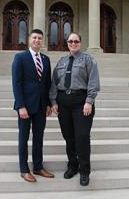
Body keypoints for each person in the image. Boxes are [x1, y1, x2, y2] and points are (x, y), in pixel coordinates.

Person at [49, 32, 100, 186]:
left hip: (81, 102)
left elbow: (93, 81)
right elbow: (54, 83)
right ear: (67, 43)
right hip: (63, 102)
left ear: (80, 42)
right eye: (70, 41)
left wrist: (89, 101)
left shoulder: (89, 60)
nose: (73, 43)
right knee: (69, 137)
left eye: (76, 41)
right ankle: (73, 165)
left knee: (82, 137)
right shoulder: (62, 61)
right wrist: (53, 102)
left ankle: (85, 171)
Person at [12, 29, 54, 183]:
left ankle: (38, 166)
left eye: (40, 38)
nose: (37, 40)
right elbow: (16, 83)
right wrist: (21, 106)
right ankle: (24, 169)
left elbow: (47, 84)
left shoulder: (46, 59)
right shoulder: (20, 57)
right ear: (29, 39)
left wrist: (49, 104)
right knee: (23, 138)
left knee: (39, 137)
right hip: (26, 107)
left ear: (43, 41)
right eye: (34, 37)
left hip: (41, 106)